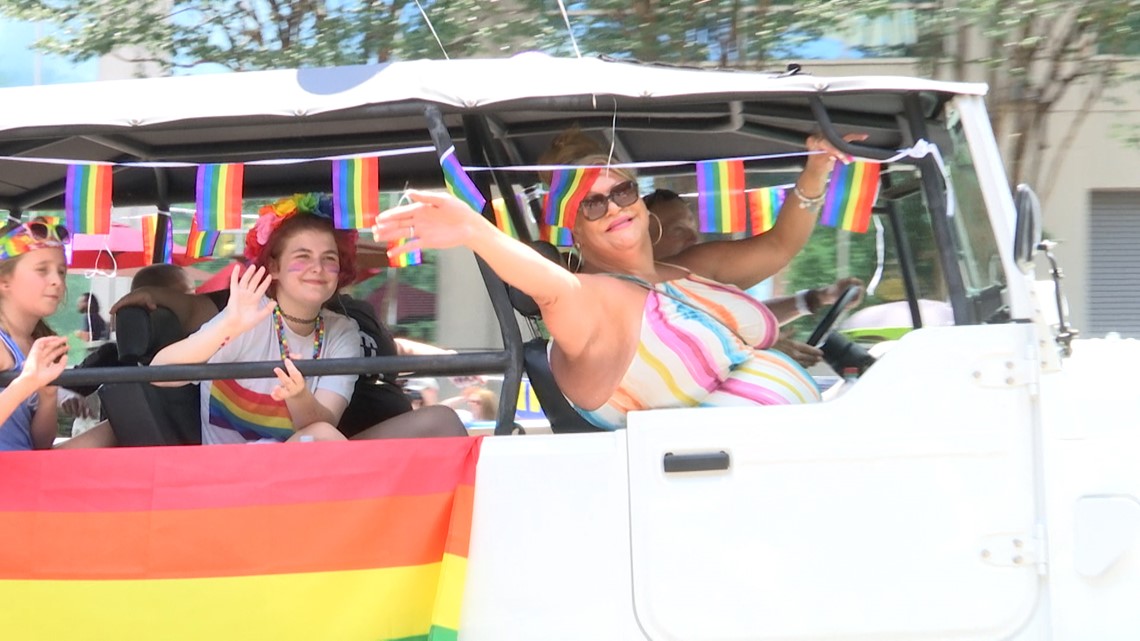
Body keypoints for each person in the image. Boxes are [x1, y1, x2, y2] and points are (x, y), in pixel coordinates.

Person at [374, 132, 862, 430]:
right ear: (574, 227)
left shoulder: (691, 267)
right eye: (592, 202)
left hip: (791, 462)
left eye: (622, 189)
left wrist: (818, 167)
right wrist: (473, 231)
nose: (613, 207)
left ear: (640, 198)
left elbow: (778, 247)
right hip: (710, 492)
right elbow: (551, 287)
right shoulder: (591, 299)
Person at [147, 194, 463, 443]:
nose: (318, 268)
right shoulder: (246, 319)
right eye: (303, 257)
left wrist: (298, 396)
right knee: (323, 437)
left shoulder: (341, 332)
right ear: (273, 267)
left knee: (442, 420)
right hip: (235, 475)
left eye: (329, 259)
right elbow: (160, 374)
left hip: (307, 465)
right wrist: (227, 326)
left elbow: (321, 427)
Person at [643, 188, 863, 368]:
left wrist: (817, 298)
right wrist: (756, 351)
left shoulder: (688, 290)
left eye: (692, 227)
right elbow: (780, 247)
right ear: (643, 242)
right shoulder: (648, 299)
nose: (694, 237)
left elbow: (741, 322)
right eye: (677, 230)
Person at [0, 217, 72, 450]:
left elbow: (40, 444)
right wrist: (27, 383)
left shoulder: (37, 343)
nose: (57, 282)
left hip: (25, 470)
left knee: (119, 424)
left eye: (61, 272)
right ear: (4, 281)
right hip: (10, 476)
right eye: (42, 270)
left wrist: (48, 395)